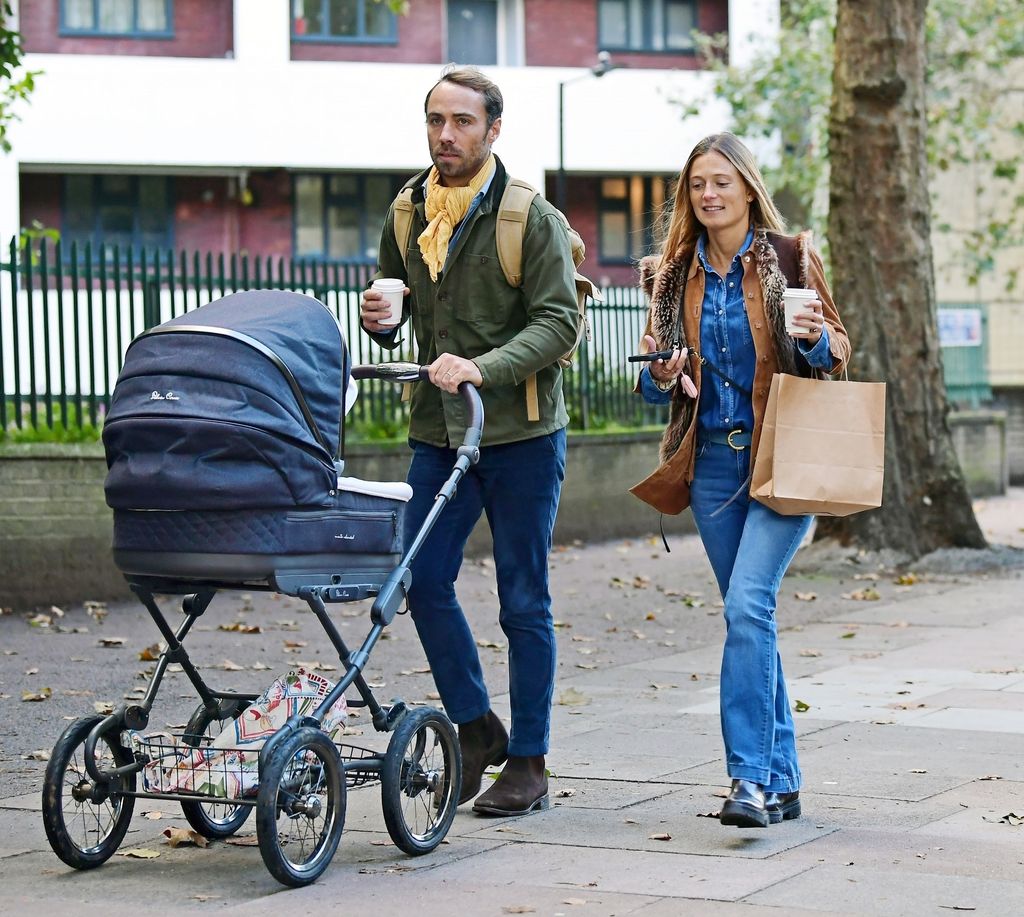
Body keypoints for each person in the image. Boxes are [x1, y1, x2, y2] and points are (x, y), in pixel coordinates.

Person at [360, 66, 579, 817]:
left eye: (460, 121)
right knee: (418, 578)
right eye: (434, 121)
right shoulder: (407, 209)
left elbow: (560, 323)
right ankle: (476, 724)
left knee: (524, 598)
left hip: (520, 435)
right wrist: (381, 317)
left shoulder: (529, 217)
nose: (445, 134)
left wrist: (481, 368)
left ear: (492, 129)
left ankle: (531, 758)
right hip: (438, 431)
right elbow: (396, 294)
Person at [631, 132, 851, 828]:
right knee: (747, 617)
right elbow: (651, 378)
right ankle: (782, 780)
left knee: (747, 606)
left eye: (722, 181)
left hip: (785, 457)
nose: (709, 194)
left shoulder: (790, 259)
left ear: (749, 188)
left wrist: (813, 336)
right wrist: (659, 372)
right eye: (698, 183)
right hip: (712, 466)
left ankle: (748, 780)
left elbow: (838, 353)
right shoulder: (672, 275)